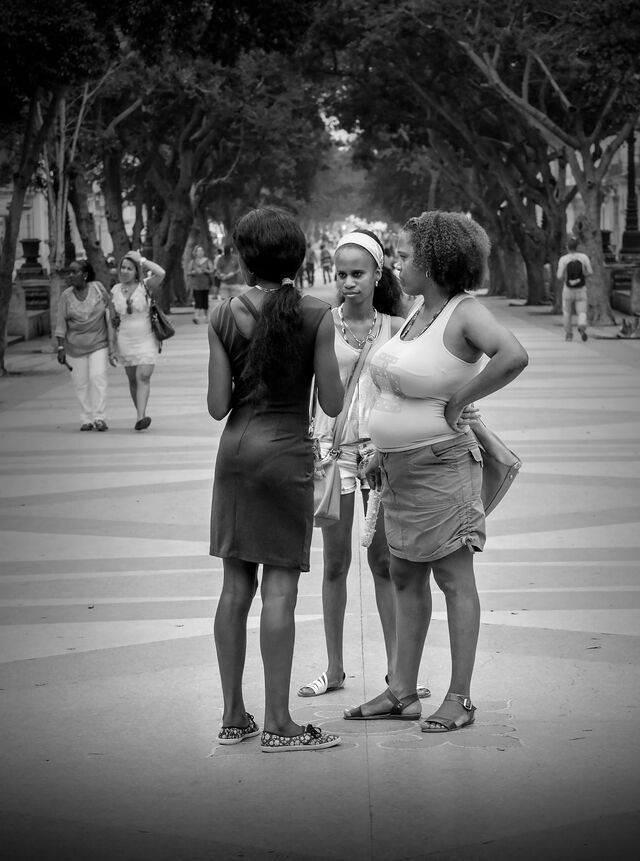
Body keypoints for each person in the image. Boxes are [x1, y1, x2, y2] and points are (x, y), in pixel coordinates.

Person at [344, 210, 528, 731]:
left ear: (433, 262)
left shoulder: (464, 312)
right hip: (398, 469)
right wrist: (380, 449)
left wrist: (460, 401)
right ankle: (401, 692)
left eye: (404, 257)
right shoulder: (419, 311)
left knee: (453, 578)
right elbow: (399, 386)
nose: (397, 265)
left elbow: (513, 356)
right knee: (404, 575)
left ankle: (460, 698)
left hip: (443, 466)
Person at [208, 207, 344, 753]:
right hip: (286, 455)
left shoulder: (224, 314)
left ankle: (232, 718)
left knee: (234, 587)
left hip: (236, 454)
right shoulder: (317, 315)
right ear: (299, 259)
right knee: (280, 590)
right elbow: (331, 402)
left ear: (244, 259)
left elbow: (217, 406)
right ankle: (280, 723)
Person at [297, 229, 430, 701]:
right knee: (335, 563)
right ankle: (334, 668)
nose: (348, 283)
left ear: (377, 274)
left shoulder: (397, 326)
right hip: (331, 455)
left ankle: (398, 674)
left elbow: (409, 390)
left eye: (358, 273)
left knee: (384, 563)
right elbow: (306, 389)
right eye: (341, 275)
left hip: (381, 454)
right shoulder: (320, 323)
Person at [55, 259, 118, 431]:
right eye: (69, 272)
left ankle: (100, 417)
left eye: (74, 272)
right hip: (74, 346)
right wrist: (60, 347)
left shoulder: (98, 288)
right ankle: (87, 418)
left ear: (84, 275)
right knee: (80, 383)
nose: (70, 275)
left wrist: (113, 341)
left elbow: (111, 310)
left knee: (97, 377)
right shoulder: (66, 296)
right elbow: (61, 323)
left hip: (99, 343)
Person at [111, 250, 166, 431]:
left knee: (143, 376)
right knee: (133, 380)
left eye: (130, 268)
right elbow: (112, 320)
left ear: (136, 271)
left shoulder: (145, 286)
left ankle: (140, 416)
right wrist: (112, 346)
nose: (125, 271)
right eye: (123, 268)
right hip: (125, 340)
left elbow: (161, 273)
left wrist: (141, 259)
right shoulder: (115, 290)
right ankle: (140, 413)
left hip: (146, 339)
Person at [556, 236, 592, 342]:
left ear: (567, 247)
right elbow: (590, 272)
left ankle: (569, 334)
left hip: (568, 289)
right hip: (581, 289)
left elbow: (559, 276)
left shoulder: (564, 259)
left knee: (567, 312)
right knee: (582, 312)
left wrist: (566, 278)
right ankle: (582, 325)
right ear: (577, 246)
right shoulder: (584, 257)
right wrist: (582, 276)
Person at [188, 245, 215, 323]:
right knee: (197, 300)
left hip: (205, 284)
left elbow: (212, 270)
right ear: (196, 252)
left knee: (205, 300)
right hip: (196, 285)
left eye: (202, 250)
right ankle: (196, 317)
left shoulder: (207, 261)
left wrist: (205, 270)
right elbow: (188, 272)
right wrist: (194, 272)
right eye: (199, 251)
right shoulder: (192, 261)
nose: (200, 252)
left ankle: (206, 318)